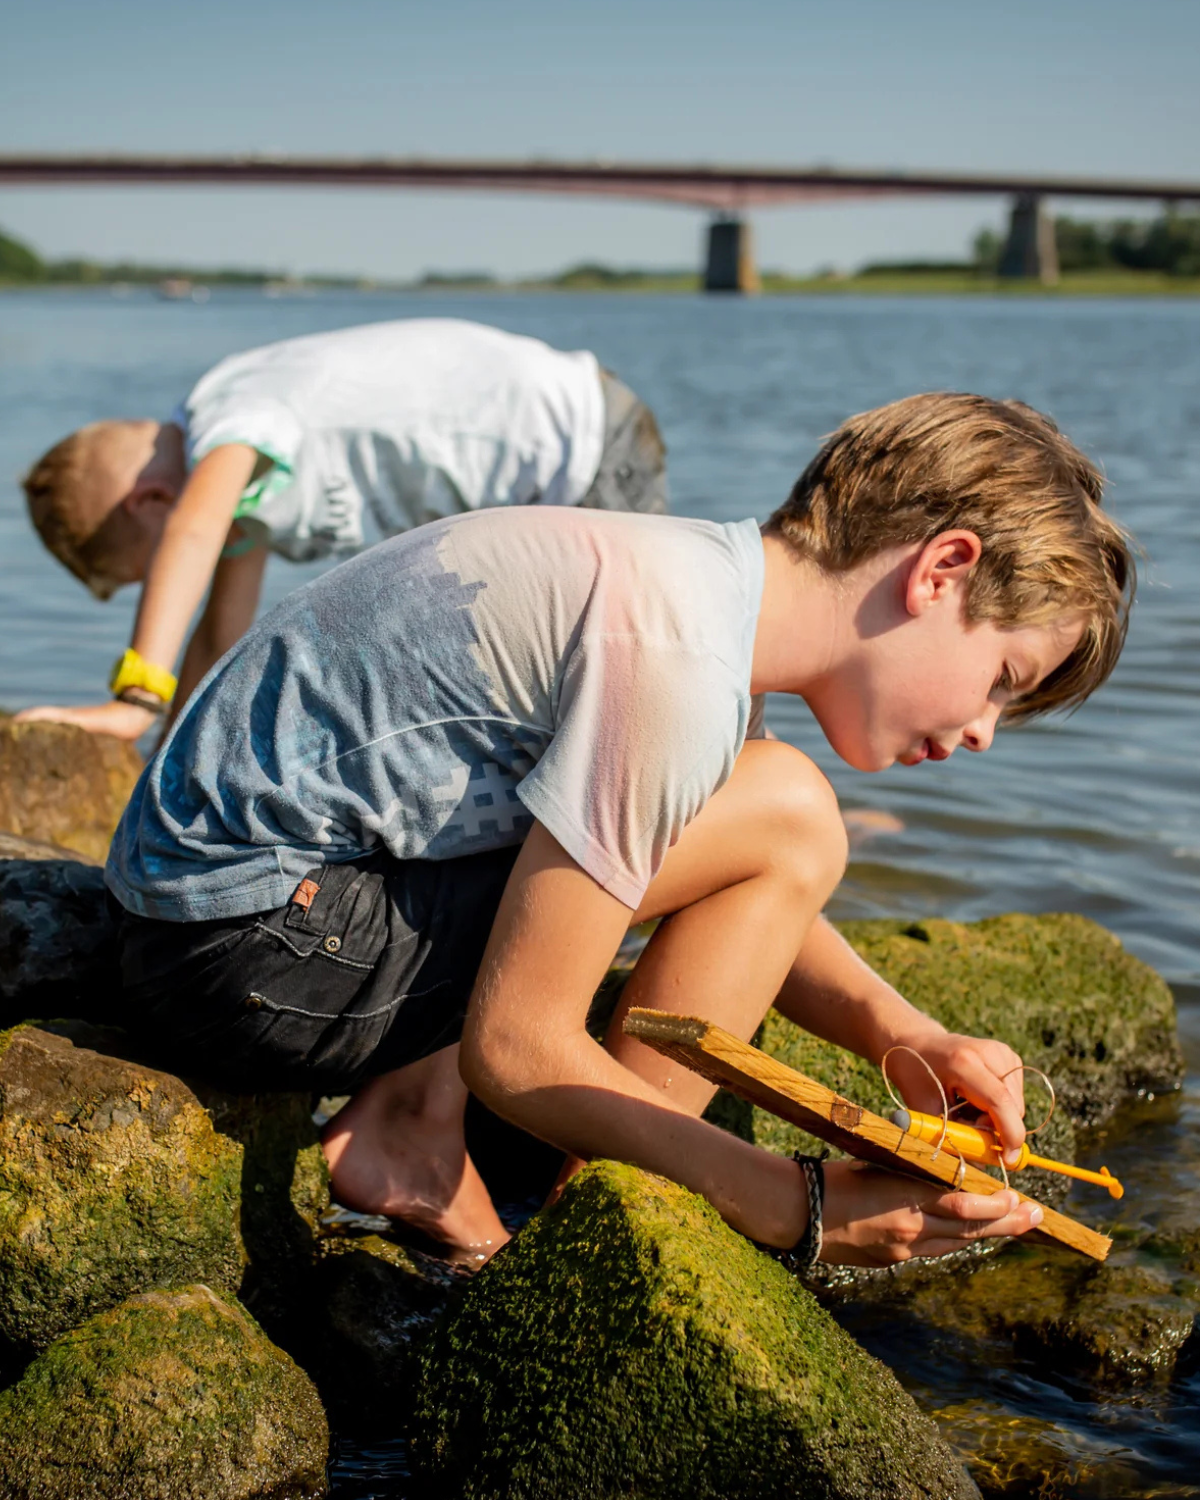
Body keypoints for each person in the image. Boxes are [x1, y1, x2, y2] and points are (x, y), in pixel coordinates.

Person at [104, 393, 1132, 1270]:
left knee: (777, 814)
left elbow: (697, 858)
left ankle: (415, 1129)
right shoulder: (675, 662)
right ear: (942, 569)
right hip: (250, 946)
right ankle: (585, 1234)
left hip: (211, 923)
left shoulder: (695, 591)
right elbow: (516, 1045)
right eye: (1004, 680)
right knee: (793, 813)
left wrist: (900, 1031)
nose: (985, 732)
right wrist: (795, 1202)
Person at [17, 317, 667, 740]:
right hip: (528, 503)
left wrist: (138, 697)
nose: (169, 582)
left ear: (148, 500)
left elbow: (193, 532)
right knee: (545, 697)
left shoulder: (229, 412)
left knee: (634, 682)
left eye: (149, 570)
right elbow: (219, 632)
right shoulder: (244, 493)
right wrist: (170, 758)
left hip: (582, 446)